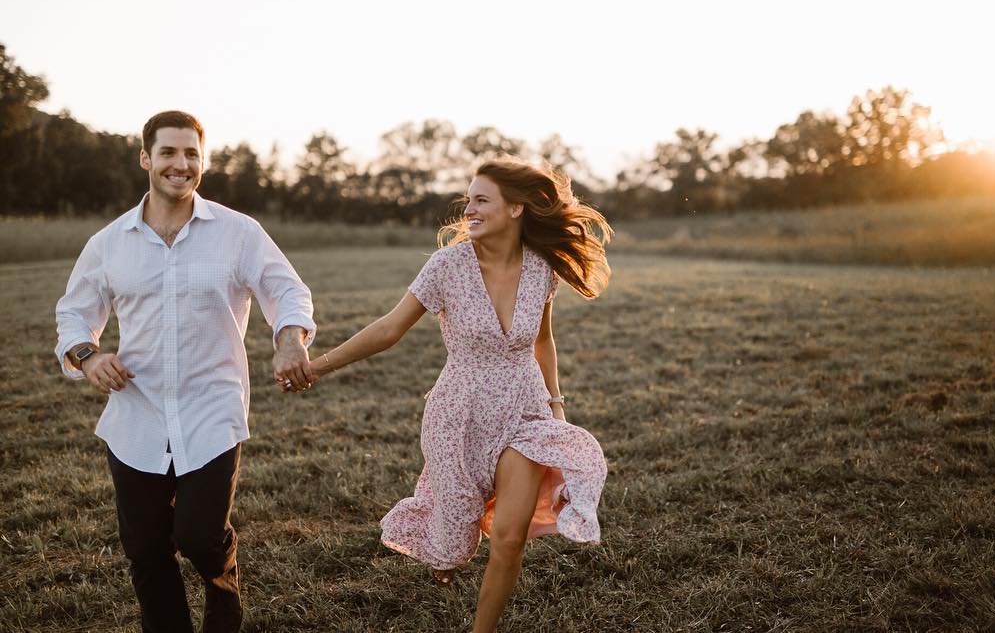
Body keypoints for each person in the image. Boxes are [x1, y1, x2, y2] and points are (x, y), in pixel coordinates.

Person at [309, 157, 611, 632]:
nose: (468, 208)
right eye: (468, 199)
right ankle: (446, 549)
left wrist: (556, 407)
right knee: (455, 527)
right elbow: (390, 329)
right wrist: (317, 367)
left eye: (481, 200)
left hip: (523, 410)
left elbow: (542, 341)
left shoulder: (542, 270)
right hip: (459, 413)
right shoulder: (446, 266)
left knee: (509, 539)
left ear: (515, 209)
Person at [54, 110, 317, 633]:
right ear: (146, 158)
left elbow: (287, 291)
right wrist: (89, 356)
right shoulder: (109, 243)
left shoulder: (239, 233)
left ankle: (224, 597)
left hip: (211, 410)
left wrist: (289, 340)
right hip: (137, 415)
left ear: (204, 160)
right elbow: (74, 313)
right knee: (147, 550)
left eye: (191, 153)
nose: (181, 164)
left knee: (199, 537)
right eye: (169, 152)